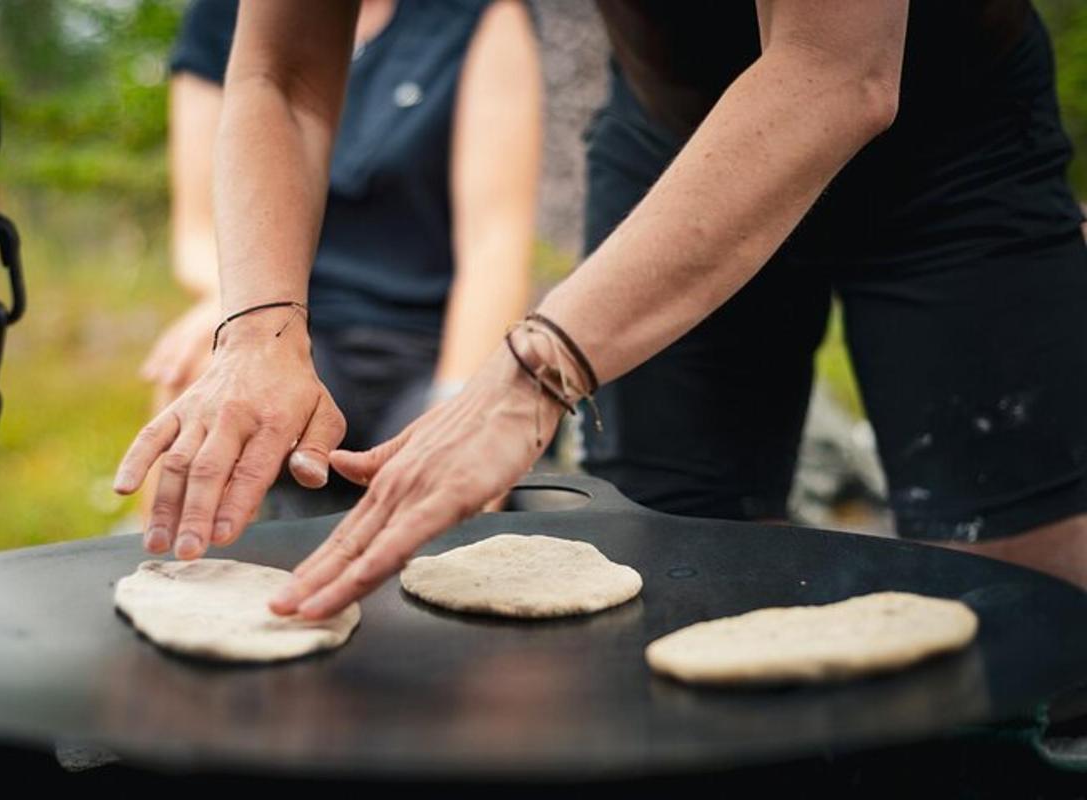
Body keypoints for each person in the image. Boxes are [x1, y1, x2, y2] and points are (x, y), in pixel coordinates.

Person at [114, 0, 1087, 623]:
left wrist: (533, 366)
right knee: (658, 578)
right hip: (674, 139)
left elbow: (838, 70)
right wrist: (255, 330)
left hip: (951, 147)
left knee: (1031, 613)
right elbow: (279, 73)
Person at [136, 0, 541, 520]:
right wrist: (234, 312)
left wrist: (460, 399)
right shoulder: (220, 16)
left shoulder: (478, 14)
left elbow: (494, 243)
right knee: (193, 368)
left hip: (426, 342)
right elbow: (195, 231)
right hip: (299, 329)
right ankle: (161, 565)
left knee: (460, 490)